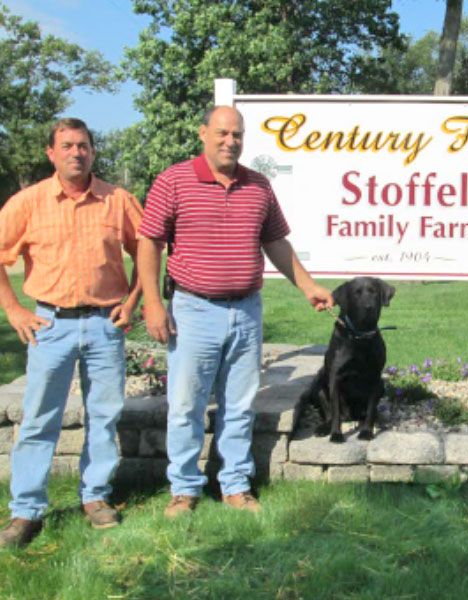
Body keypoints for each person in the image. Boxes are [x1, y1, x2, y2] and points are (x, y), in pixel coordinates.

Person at [138, 105, 333, 518]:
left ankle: (235, 485)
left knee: (239, 405)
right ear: (203, 132)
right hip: (193, 310)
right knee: (186, 403)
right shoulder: (173, 180)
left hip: (246, 311)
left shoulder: (258, 186)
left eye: (238, 135)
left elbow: (276, 242)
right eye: (223, 133)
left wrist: (308, 286)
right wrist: (153, 302)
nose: (231, 142)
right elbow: (150, 242)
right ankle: (184, 489)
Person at [0, 118, 143, 548]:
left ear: (93, 152)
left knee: (104, 416)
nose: (75, 153)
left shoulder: (117, 200)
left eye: (83, 145)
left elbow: (148, 252)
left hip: (105, 325)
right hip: (51, 325)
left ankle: (96, 497)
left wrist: (134, 300)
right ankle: (26, 511)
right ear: (51, 153)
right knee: (40, 419)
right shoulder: (28, 203)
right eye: (66, 145)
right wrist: (13, 310)